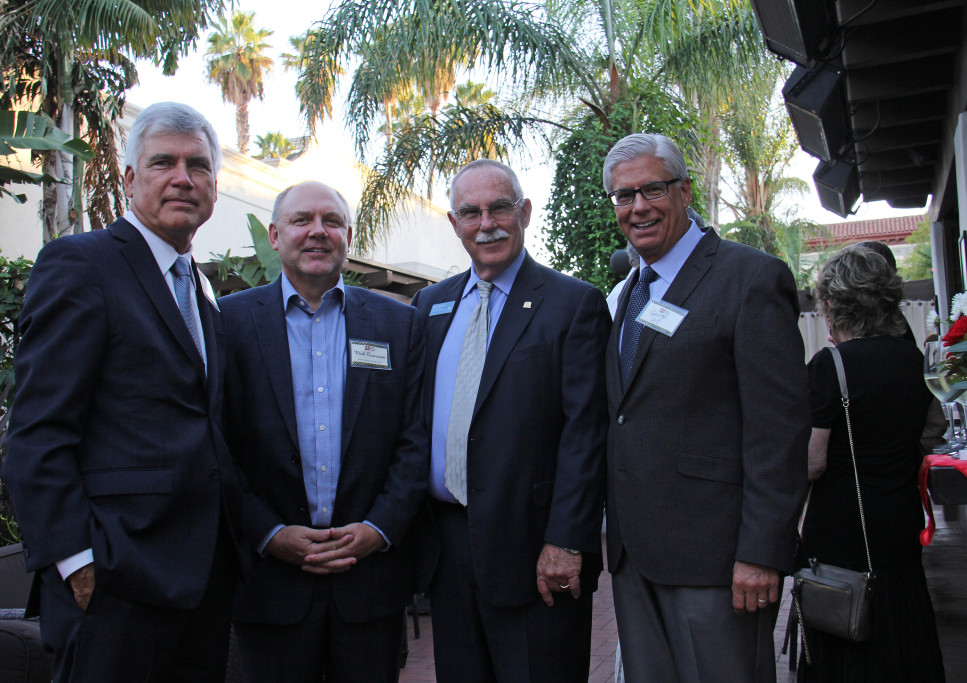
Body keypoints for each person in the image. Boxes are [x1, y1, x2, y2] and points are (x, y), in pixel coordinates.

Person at [3, 102, 241, 682]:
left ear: (214, 186)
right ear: (131, 179)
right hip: (115, 584)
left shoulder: (202, 291)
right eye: (164, 163)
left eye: (199, 166)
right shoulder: (81, 265)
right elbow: (38, 433)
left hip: (199, 586)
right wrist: (78, 566)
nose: (183, 178)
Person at [603, 133, 810, 682]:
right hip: (635, 558)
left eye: (653, 189)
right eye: (624, 196)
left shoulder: (750, 278)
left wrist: (762, 551)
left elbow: (778, 429)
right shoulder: (629, 293)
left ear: (686, 190)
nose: (638, 207)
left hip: (717, 562)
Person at [221, 181, 428, 682]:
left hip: (369, 586)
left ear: (349, 235)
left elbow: (415, 439)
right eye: (302, 221)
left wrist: (378, 530)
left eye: (331, 222)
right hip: (268, 587)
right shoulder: (226, 323)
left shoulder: (399, 324)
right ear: (274, 235)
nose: (318, 232)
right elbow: (218, 447)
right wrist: (268, 534)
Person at [412, 159, 611, 682]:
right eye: (470, 212)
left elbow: (587, 433)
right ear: (453, 223)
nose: (487, 223)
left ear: (523, 211)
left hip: (535, 551)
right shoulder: (428, 306)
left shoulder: (573, 305)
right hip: (448, 549)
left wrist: (567, 541)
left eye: (499, 207)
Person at [798, 244, 946, 681]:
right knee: (901, 630)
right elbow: (929, 433)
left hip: (845, 528)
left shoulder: (831, 365)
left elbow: (812, 462)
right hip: (900, 520)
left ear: (833, 303)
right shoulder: (913, 359)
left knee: (846, 635)